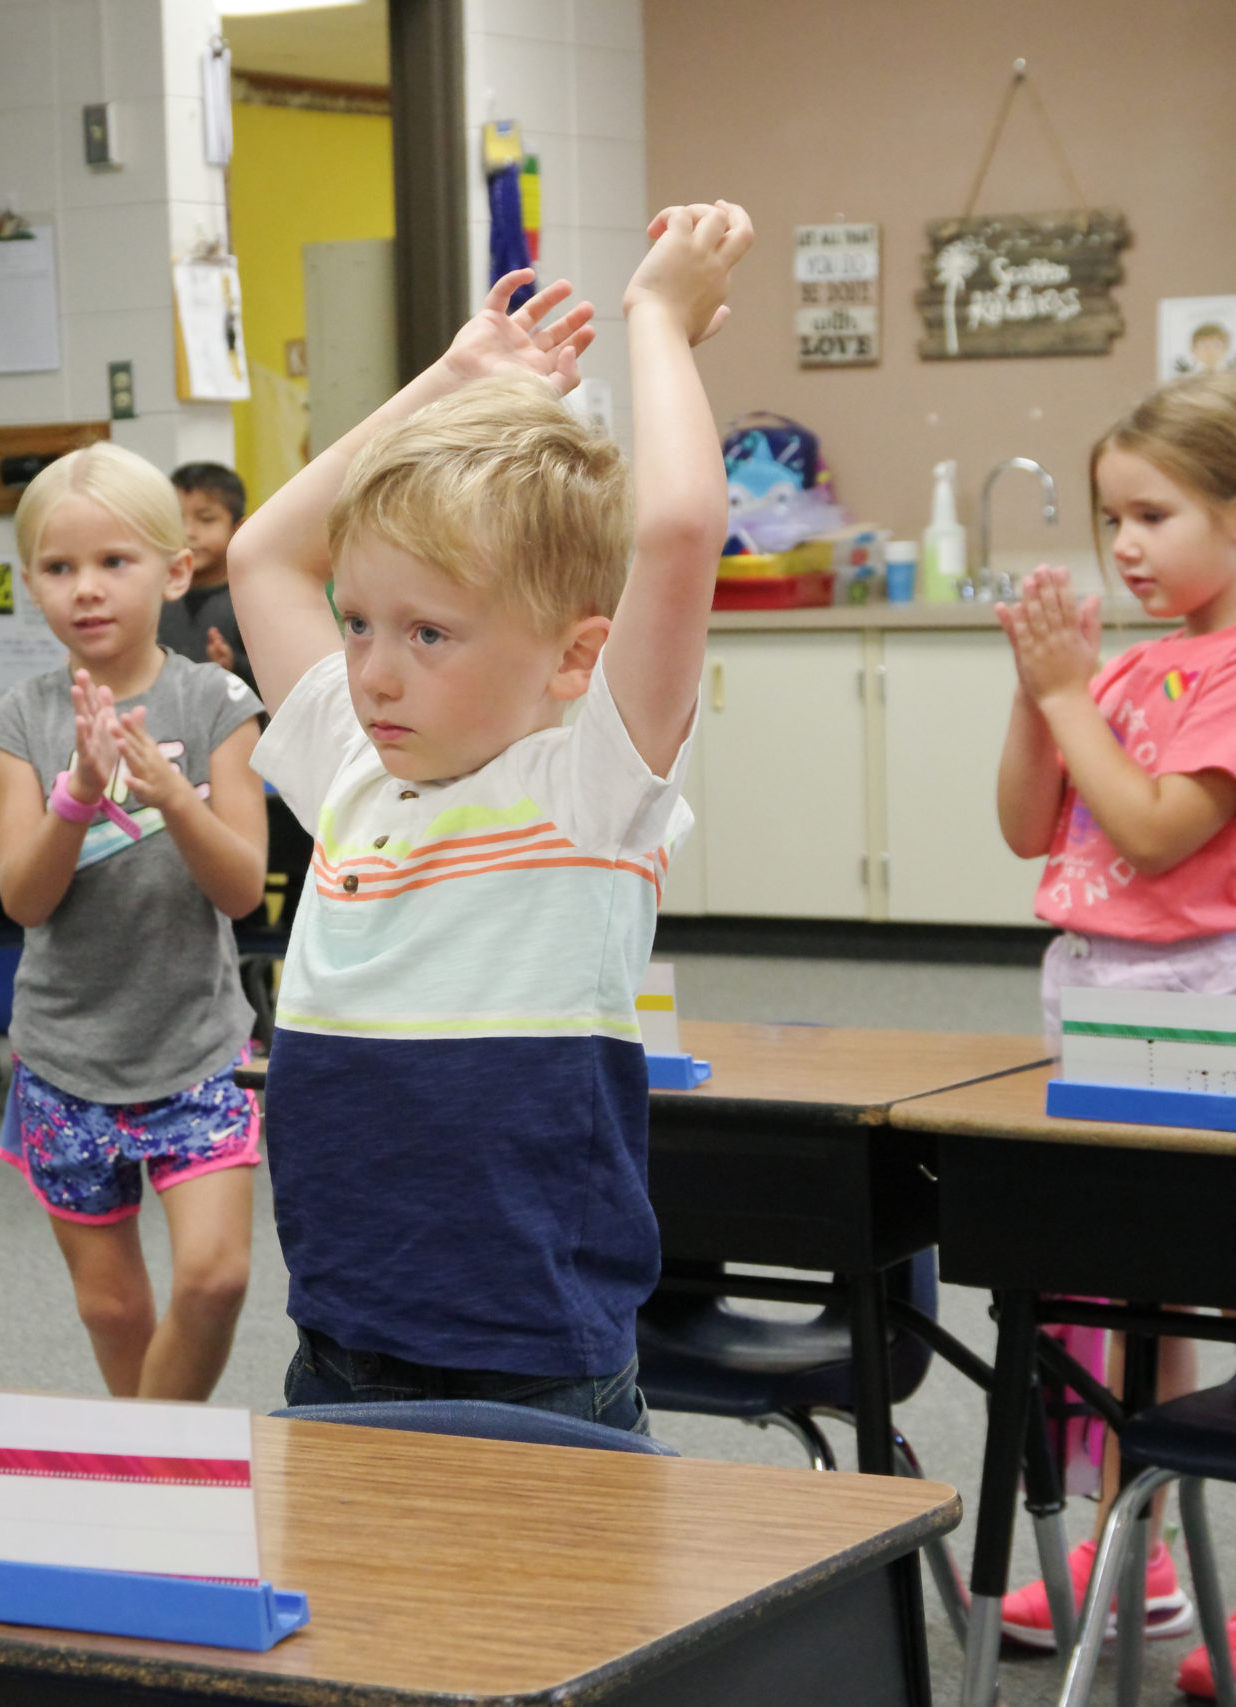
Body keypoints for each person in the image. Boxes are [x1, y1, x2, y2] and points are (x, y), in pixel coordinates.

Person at [226, 203, 753, 1428]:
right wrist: (452, 382)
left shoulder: (592, 788)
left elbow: (675, 535)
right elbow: (262, 556)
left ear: (575, 658)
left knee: (556, 1624)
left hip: (535, 1358)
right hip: (343, 1337)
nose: (374, 670)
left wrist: (656, 323)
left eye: (428, 633)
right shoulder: (349, 774)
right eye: (359, 623)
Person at [992, 370, 1236, 1703]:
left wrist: (1066, 696)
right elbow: (1027, 824)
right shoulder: (1126, 663)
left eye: (1150, 515)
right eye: (1111, 518)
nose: (1121, 545)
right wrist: (1033, 690)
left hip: (1215, 995)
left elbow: (1162, 829)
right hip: (1098, 986)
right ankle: (1140, 1546)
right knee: (1119, 1293)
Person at [0, 442, 269, 1401]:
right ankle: (156, 1482)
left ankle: (145, 1468)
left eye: (115, 562)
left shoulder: (217, 701)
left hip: (195, 1046)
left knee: (216, 1275)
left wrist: (171, 797)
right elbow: (24, 897)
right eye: (60, 569)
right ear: (32, 584)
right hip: (67, 1055)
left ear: (175, 570)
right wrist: (78, 793)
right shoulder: (22, 719)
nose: (87, 590)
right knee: (111, 1308)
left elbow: (242, 889)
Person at [160, 462, 258, 694]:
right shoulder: (155, 598)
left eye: (206, 519)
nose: (188, 532)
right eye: (178, 519)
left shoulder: (253, 600)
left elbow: (283, 683)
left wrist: (233, 665)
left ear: (238, 528)